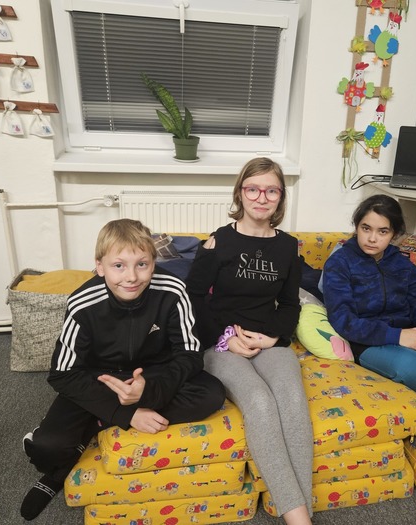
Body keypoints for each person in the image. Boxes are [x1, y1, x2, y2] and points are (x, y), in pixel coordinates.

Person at [20, 219, 225, 521]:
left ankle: (95, 425)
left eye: (142, 264)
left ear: (153, 263)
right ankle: (58, 470)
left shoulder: (173, 289)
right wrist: (127, 414)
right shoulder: (82, 303)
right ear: (100, 267)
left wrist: (148, 392)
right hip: (99, 379)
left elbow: (190, 353)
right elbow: (62, 374)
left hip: (152, 373)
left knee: (211, 395)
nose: (131, 277)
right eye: (119, 266)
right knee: (46, 449)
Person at [185, 157, 314, 525]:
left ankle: (300, 513)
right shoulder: (218, 242)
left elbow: (290, 304)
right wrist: (225, 338)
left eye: (271, 190)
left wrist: (275, 336)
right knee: (259, 400)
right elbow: (192, 299)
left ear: (281, 197)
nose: (262, 197)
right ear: (240, 193)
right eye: (253, 189)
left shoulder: (288, 247)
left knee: (291, 399)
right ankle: (299, 518)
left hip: (267, 340)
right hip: (221, 343)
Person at [322, 194, 416, 414]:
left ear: (395, 234)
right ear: (356, 226)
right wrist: (397, 336)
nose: (372, 238)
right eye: (366, 228)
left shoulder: (402, 264)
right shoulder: (340, 263)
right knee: (411, 367)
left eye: (383, 231)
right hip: (366, 341)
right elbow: (343, 320)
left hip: (409, 331)